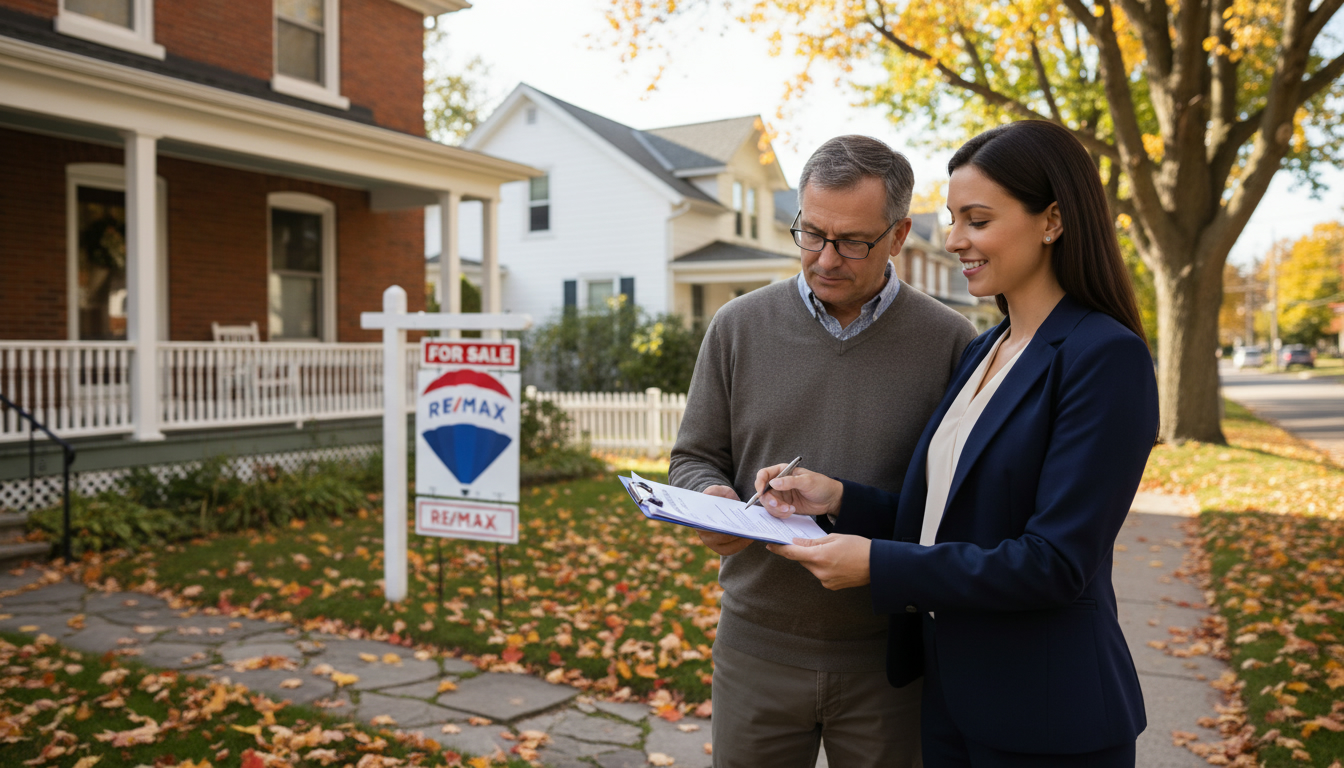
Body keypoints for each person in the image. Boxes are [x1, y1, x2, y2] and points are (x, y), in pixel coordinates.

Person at [756, 120, 1159, 767]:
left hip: (1048, 717)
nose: (953, 240)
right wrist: (834, 498)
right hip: (951, 699)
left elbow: (1053, 562)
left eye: (976, 219)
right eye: (951, 219)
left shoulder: (1104, 357)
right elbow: (952, 522)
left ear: (1052, 220)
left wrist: (878, 566)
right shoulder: (984, 351)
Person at [670, 135, 977, 768]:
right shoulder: (737, 326)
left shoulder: (950, 342)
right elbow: (693, 455)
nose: (826, 258)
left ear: (899, 235)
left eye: (853, 241)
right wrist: (712, 498)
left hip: (889, 659)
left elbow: (956, 510)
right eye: (811, 233)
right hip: (756, 647)